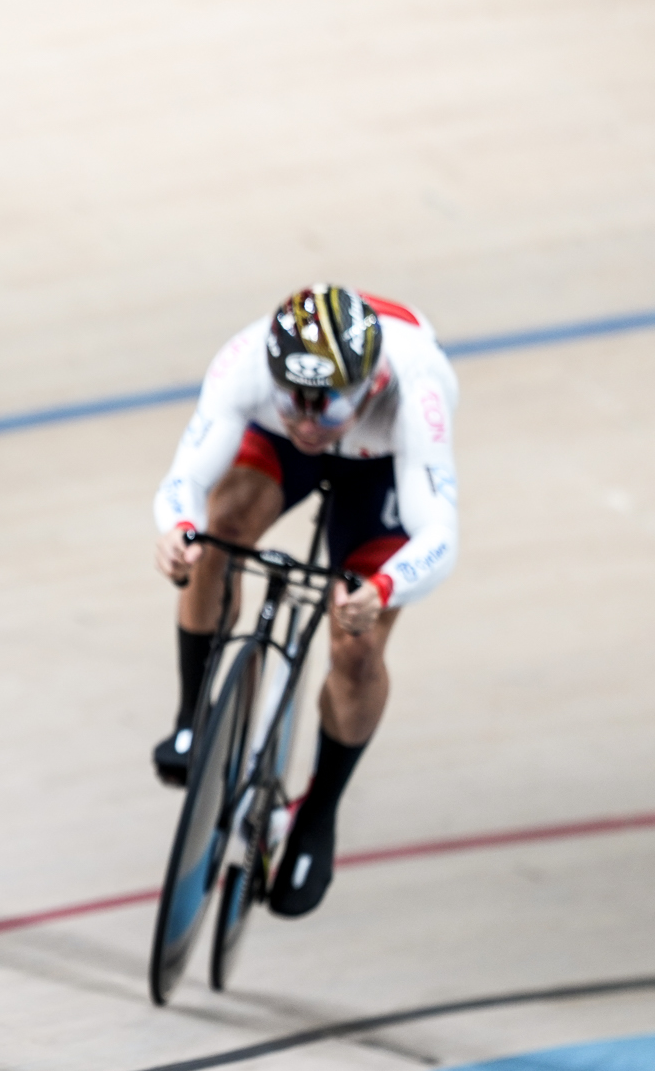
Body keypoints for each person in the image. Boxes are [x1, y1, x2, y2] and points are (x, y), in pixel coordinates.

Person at [152, 284, 459, 915]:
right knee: (216, 537)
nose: (309, 421)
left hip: (381, 467)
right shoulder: (244, 364)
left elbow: (439, 534)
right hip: (280, 454)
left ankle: (318, 813)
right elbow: (185, 477)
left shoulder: (416, 386)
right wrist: (177, 531)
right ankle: (192, 719)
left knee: (357, 646)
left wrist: (381, 589)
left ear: (370, 386)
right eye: (294, 400)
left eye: (327, 406)